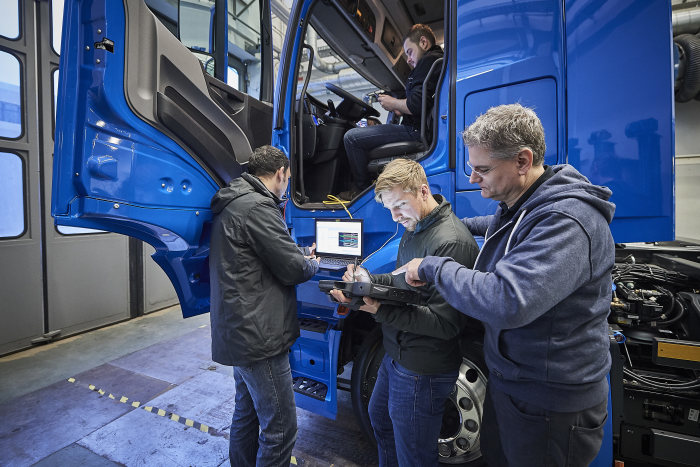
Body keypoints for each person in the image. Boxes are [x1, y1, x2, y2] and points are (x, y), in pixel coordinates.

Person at [395, 104, 615, 466]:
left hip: (549, 402)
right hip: (516, 386)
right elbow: (493, 225)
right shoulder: (523, 202)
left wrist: (433, 265)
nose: (471, 178)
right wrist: (441, 222)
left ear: (522, 161)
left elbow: (506, 299)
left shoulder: (566, 220)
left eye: (482, 169)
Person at [330, 158, 479, 466]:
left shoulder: (450, 242)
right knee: (381, 420)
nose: (396, 217)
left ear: (422, 191)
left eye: (399, 206)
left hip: (422, 369)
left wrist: (378, 309)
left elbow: (445, 323)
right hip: (398, 354)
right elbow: (401, 280)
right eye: (389, 210)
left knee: (415, 456)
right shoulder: (415, 228)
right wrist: (367, 281)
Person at [209, 145, 320, 466]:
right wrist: (310, 261)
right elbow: (294, 269)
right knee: (281, 430)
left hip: (239, 330)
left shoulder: (234, 201)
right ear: (280, 174)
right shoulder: (258, 207)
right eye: (288, 179)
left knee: (246, 415)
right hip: (260, 337)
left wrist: (293, 252)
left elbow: (261, 255)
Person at [339, 24, 444, 199]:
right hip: (418, 128)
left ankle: (362, 192)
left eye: (409, 52)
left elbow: (415, 105)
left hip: (415, 132)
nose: (409, 59)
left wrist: (393, 102)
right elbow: (420, 104)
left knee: (352, 138)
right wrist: (398, 106)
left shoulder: (428, 61)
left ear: (424, 42)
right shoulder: (436, 61)